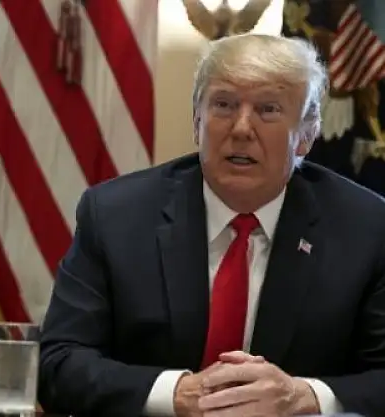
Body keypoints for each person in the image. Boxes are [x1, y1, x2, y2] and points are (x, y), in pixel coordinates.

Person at [38, 33, 385, 417]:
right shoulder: (115, 215)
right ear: (197, 121)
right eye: (223, 104)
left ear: (306, 134)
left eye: (268, 109)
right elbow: (58, 364)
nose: (241, 128)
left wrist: (301, 397)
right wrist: (178, 393)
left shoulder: (367, 228)